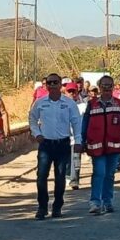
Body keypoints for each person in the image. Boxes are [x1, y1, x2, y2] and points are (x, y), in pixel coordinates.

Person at [29, 73, 83, 220]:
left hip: (63, 144)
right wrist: (37, 134)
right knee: (41, 176)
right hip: (46, 144)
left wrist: (78, 141)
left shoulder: (69, 103)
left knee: (60, 177)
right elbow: (32, 119)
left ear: (60, 85)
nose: (52, 85)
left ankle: (57, 206)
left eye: (55, 82)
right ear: (46, 85)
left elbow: (76, 122)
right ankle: (42, 207)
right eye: (50, 82)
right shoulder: (40, 103)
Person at [81, 76, 120, 214]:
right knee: (99, 173)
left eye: (109, 85)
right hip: (96, 146)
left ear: (113, 86)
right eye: (104, 85)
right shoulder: (91, 104)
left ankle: (107, 201)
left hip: (114, 146)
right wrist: (81, 140)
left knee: (110, 174)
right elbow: (84, 124)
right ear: (99, 86)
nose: (106, 88)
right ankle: (95, 202)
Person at [64, 83, 87, 190]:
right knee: (66, 160)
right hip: (63, 138)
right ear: (65, 92)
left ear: (77, 93)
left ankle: (74, 181)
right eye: (70, 91)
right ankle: (67, 177)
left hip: (77, 138)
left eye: (74, 91)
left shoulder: (82, 106)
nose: (72, 94)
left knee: (76, 159)